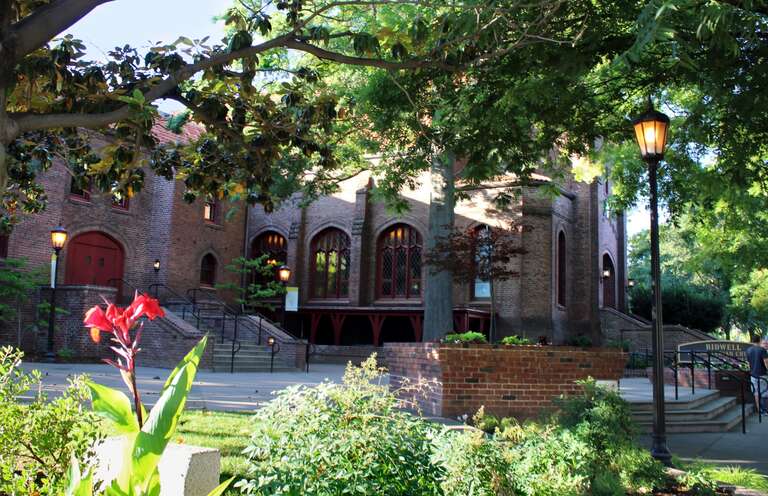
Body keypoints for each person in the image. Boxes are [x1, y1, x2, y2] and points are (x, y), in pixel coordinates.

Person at [746, 335, 768, 414]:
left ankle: (759, 410)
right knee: (765, 392)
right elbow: (766, 362)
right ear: (759, 340)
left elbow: (748, 364)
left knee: (756, 393)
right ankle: (765, 410)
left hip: (753, 374)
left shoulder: (748, 350)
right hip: (762, 374)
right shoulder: (762, 350)